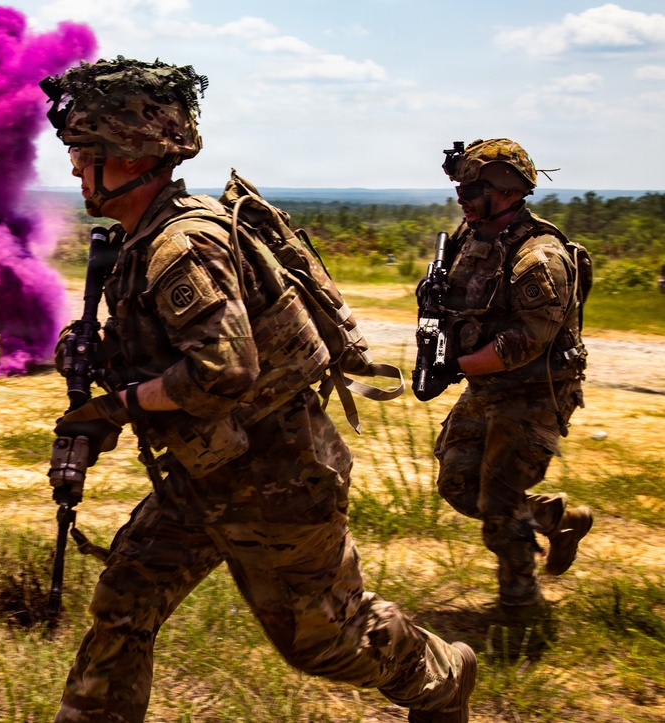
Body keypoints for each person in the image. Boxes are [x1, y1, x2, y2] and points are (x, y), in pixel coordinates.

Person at [40, 57, 476, 723]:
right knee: (126, 600)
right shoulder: (147, 238)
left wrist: (117, 407)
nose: (74, 170)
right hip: (204, 471)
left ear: (129, 155)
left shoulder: (182, 245)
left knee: (327, 640)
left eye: (83, 153)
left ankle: (443, 675)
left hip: (277, 475)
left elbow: (223, 369)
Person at [429, 138, 593, 616]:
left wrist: (455, 366)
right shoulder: (472, 237)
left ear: (504, 190)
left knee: (498, 505)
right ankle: (554, 518)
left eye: (470, 188)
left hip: (535, 392)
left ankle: (520, 604)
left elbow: (527, 341)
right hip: (491, 385)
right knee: (458, 483)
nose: (460, 197)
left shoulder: (539, 257)